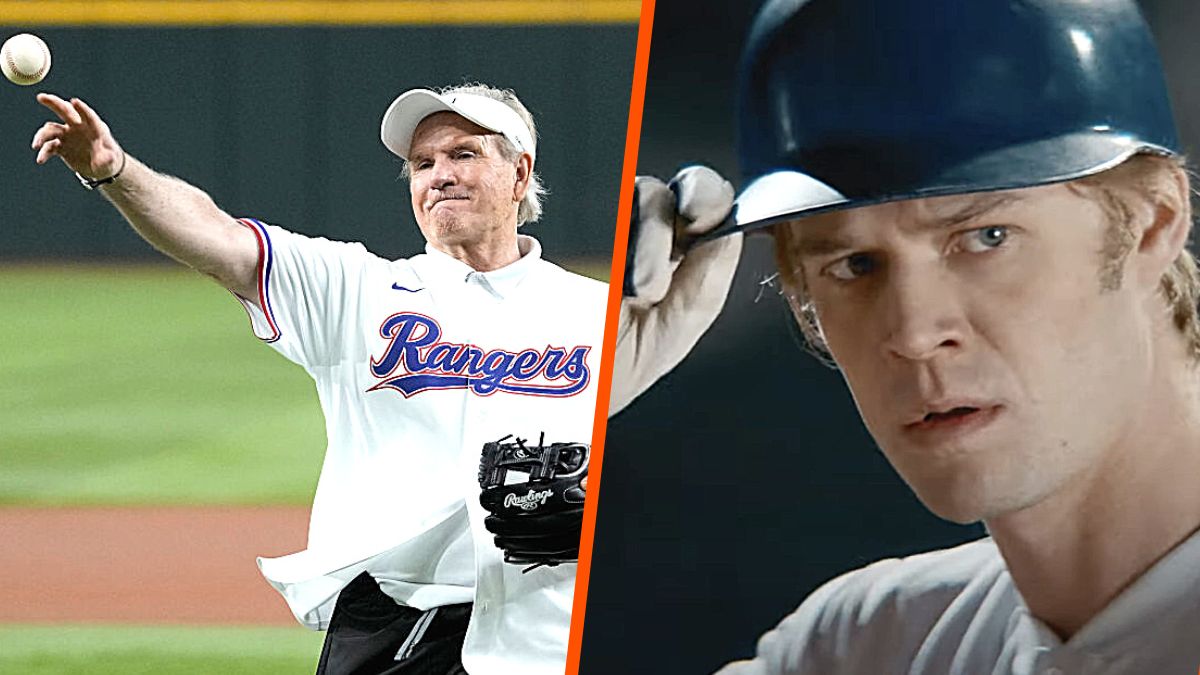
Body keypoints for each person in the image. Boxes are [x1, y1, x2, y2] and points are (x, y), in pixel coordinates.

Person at [615, 1, 1200, 673]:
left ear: (1154, 222)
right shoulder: (872, 643)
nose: (915, 333)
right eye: (853, 264)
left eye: (986, 237)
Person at [31, 82, 605, 675]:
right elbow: (220, 239)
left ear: (519, 173)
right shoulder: (359, 289)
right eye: (422, 164)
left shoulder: (602, 314)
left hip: (547, 629)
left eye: (464, 154)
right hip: (395, 630)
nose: (439, 176)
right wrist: (115, 171)